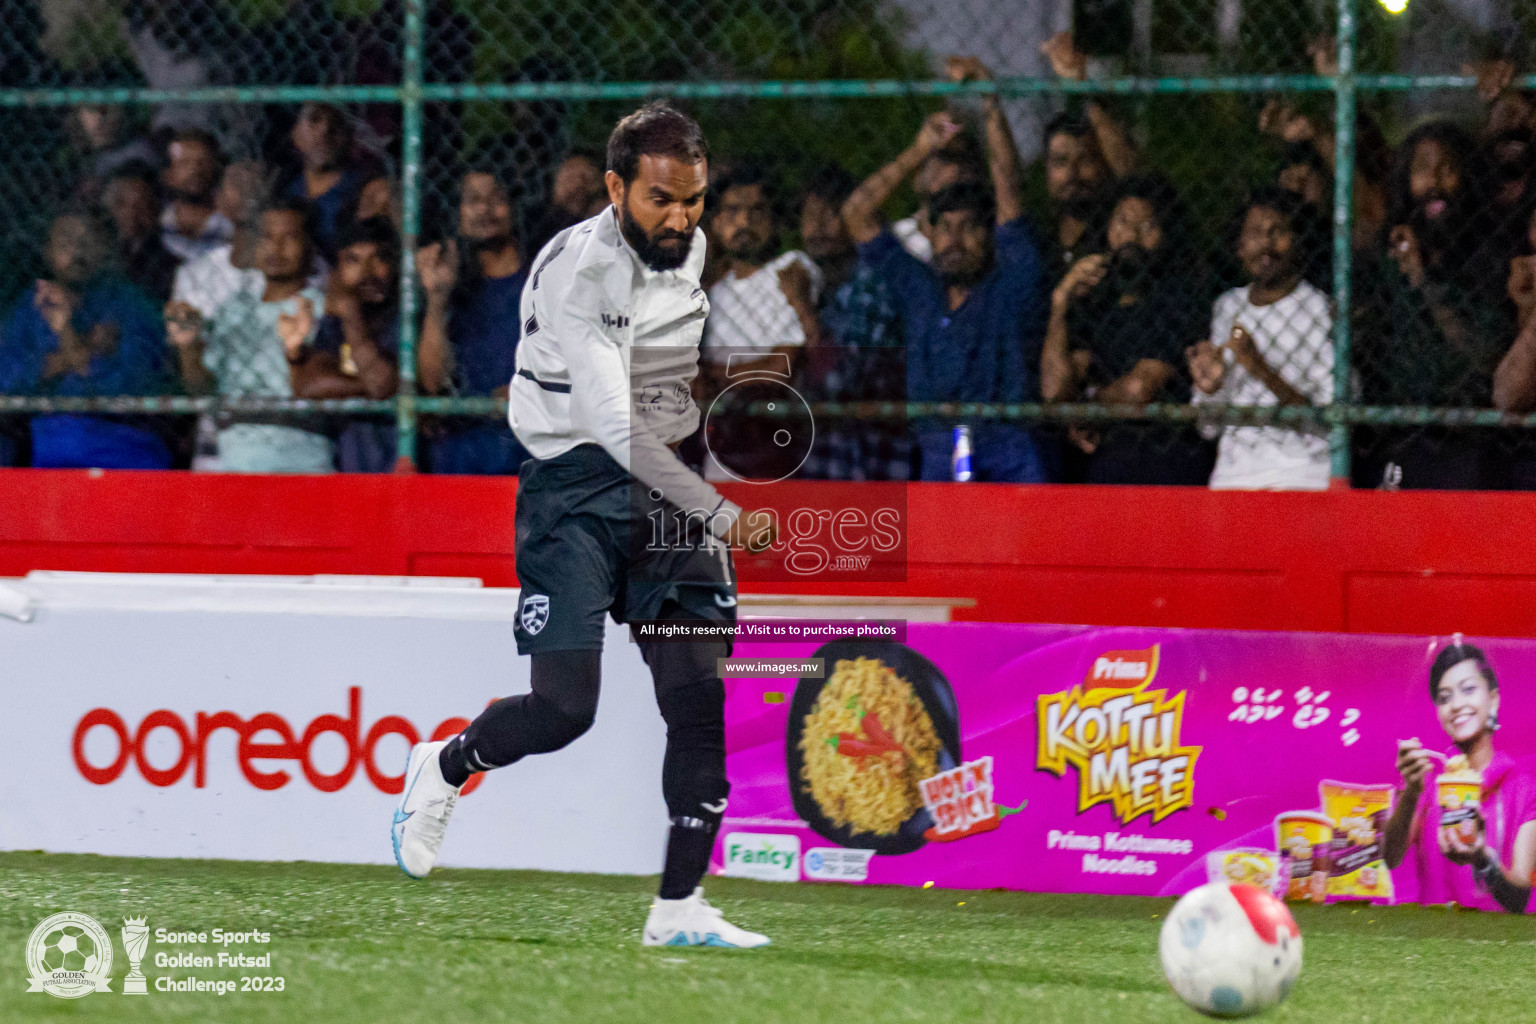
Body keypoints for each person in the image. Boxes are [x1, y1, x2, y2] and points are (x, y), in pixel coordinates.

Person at [391, 102, 776, 949]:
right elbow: (608, 420)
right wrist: (717, 509)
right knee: (567, 709)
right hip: (573, 490)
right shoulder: (583, 273)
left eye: (695, 200)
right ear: (614, 188)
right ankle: (447, 765)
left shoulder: (691, 247)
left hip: (664, 491)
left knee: (698, 700)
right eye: (661, 201)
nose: (681, 220)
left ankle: (678, 909)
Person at [842, 56, 1051, 483]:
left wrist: (991, 103)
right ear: (929, 233)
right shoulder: (919, 287)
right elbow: (857, 212)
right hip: (938, 448)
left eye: (970, 227)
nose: (955, 239)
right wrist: (920, 150)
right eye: (945, 228)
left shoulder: (1011, 284)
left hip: (1009, 447)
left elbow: (1009, 192)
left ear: (989, 235)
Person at [1355, 121, 1510, 489]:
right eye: (1422, 169)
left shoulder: (1490, 254)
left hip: (1471, 438)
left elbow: (1486, 355)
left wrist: (1423, 280)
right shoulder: (1393, 250)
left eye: (1448, 168)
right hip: (1404, 435)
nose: (1434, 182)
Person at [1041, 173, 1214, 485]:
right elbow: (1055, 391)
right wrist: (1060, 301)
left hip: (1166, 459)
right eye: (1122, 222)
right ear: (1106, 228)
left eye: (1147, 226)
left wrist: (1087, 408)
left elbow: (1139, 389)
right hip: (1103, 464)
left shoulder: (1180, 298)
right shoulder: (1095, 304)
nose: (1132, 236)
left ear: (1166, 234)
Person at [163, 199, 334, 473]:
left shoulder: (324, 309)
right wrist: (189, 346)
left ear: (311, 247)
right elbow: (202, 390)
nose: (276, 248)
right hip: (233, 462)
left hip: (303, 462)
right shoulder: (233, 309)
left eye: (290, 237)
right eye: (267, 237)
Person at [1187, 188, 1334, 490]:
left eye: (1277, 232)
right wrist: (1210, 388)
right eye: (1254, 234)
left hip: (1300, 474)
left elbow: (1329, 426)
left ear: (1297, 241)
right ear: (1239, 247)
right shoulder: (1227, 307)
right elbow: (1208, 427)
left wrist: (1260, 369)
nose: (1266, 245)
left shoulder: (1319, 308)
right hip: (1233, 475)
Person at [0, 210, 171, 468]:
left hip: (123, 443)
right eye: (66, 242)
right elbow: (8, 378)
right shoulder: (32, 306)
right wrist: (86, 344)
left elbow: (126, 385)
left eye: (88, 241)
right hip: (46, 444)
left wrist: (61, 347)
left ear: (106, 250)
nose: (77, 251)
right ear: (48, 251)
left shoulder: (131, 306)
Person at [1384, 639, 1536, 914]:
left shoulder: (1524, 788)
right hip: (1432, 944)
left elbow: (1520, 898)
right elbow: (1391, 858)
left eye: (1468, 689)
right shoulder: (1428, 781)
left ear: (1493, 701)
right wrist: (1410, 793)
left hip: (1501, 948)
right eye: (1444, 698)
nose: (1456, 705)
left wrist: (1481, 859)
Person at [417, 165, 532, 474]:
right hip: (461, 455)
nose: (484, 208)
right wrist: (438, 299)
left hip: (530, 451)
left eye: (496, 197)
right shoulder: (452, 282)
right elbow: (433, 383)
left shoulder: (542, 279)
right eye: (472, 199)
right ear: (457, 213)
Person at [796, 165, 906, 481]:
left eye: (831, 213)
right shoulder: (812, 283)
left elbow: (839, 382)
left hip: (872, 462)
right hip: (822, 460)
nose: (818, 225)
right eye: (810, 214)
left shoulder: (872, 285)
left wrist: (801, 308)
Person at [701, 164, 821, 385]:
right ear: (716, 222)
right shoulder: (714, 291)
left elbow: (780, 368)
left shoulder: (790, 267)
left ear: (775, 220)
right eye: (733, 211)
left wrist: (709, 376)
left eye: (757, 210)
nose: (744, 223)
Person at [1037, 33, 1137, 285]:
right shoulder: (1037, 244)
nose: (1072, 173)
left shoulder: (1119, 237)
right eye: (1060, 162)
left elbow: (1132, 174)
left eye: (1085, 161)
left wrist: (1082, 87)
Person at [306, 216, 401, 472]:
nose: (367, 273)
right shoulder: (334, 324)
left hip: (401, 469)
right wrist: (387, 387)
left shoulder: (406, 320)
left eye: (378, 259)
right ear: (337, 271)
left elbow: (380, 383)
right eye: (353, 260)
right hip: (349, 472)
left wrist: (351, 318)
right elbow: (309, 384)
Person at [281, 103, 386, 263]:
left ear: (350, 135)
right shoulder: (284, 187)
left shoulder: (365, 189)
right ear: (296, 134)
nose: (324, 131)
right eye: (314, 120)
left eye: (337, 122)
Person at [103, 162, 181, 304]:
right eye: (120, 203)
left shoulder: (168, 252)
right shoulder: (109, 249)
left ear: (155, 205)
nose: (130, 214)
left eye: (140, 204)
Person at [160, 129, 233, 263]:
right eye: (184, 163)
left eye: (203, 162)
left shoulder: (233, 223)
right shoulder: (158, 225)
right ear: (168, 174)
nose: (195, 170)